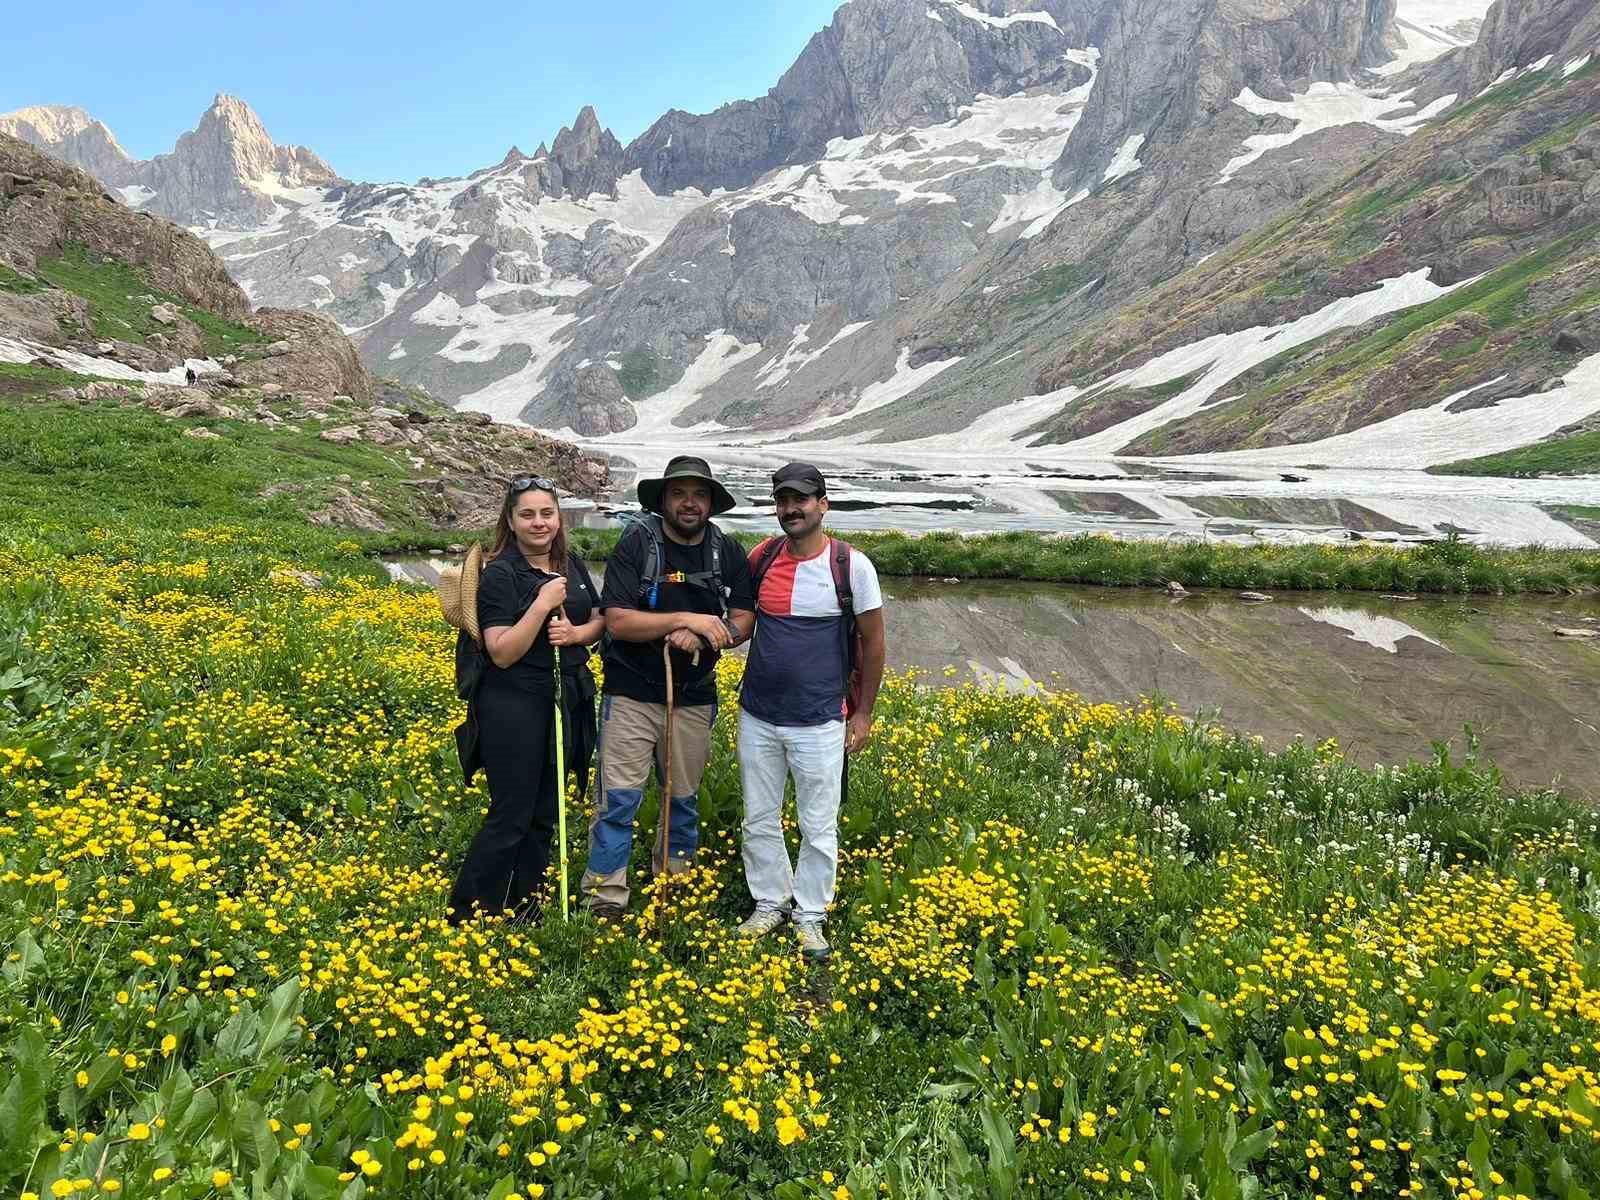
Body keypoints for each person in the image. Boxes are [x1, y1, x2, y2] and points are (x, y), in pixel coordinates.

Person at [580, 456, 756, 921]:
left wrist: (709, 634)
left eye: (699, 494)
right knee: (617, 799)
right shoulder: (637, 544)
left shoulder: (727, 552)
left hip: (693, 695)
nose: (689, 503)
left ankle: (674, 889)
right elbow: (616, 620)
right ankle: (605, 900)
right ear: (664, 501)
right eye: (679, 494)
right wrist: (683, 619)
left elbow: (743, 620)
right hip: (631, 693)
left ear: (711, 503)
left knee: (681, 797)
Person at [736, 462, 886, 960]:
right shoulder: (761, 557)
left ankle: (810, 914)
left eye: (801, 500)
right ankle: (769, 903)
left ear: (823, 504)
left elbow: (873, 641)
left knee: (818, 822)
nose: (790, 509)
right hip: (758, 714)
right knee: (759, 816)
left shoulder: (850, 566)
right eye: (782, 501)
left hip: (821, 718)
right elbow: (741, 621)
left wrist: (861, 714)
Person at [448, 476, 603, 924]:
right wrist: (540, 606)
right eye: (528, 515)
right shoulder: (499, 574)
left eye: (547, 513)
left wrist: (576, 634)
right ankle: (470, 909)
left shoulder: (569, 562)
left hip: (564, 697)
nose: (540, 523)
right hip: (513, 704)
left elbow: (597, 619)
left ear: (558, 518)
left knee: (545, 809)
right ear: (511, 522)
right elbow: (500, 650)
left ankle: (524, 904)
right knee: (512, 811)